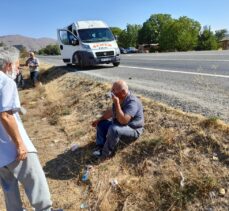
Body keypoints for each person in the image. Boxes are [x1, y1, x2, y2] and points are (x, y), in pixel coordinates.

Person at [0, 46, 58, 211]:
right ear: (8, 65)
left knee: (9, 189)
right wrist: (20, 144)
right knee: (36, 183)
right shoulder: (6, 82)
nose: (18, 69)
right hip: (13, 148)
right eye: (17, 65)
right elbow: (5, 115)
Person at [91, 80, 144, 158]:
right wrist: (99, 120)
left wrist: (117, 103)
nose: (112, 92)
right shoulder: (119, 98)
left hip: (132, 129)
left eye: (114, 90)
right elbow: (111, 112)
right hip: (120, 125)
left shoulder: (132, 102)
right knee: (102, 123)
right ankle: (100, 146)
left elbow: (123, 121)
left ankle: (105, 154)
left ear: (123, 92)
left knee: (114, 129)